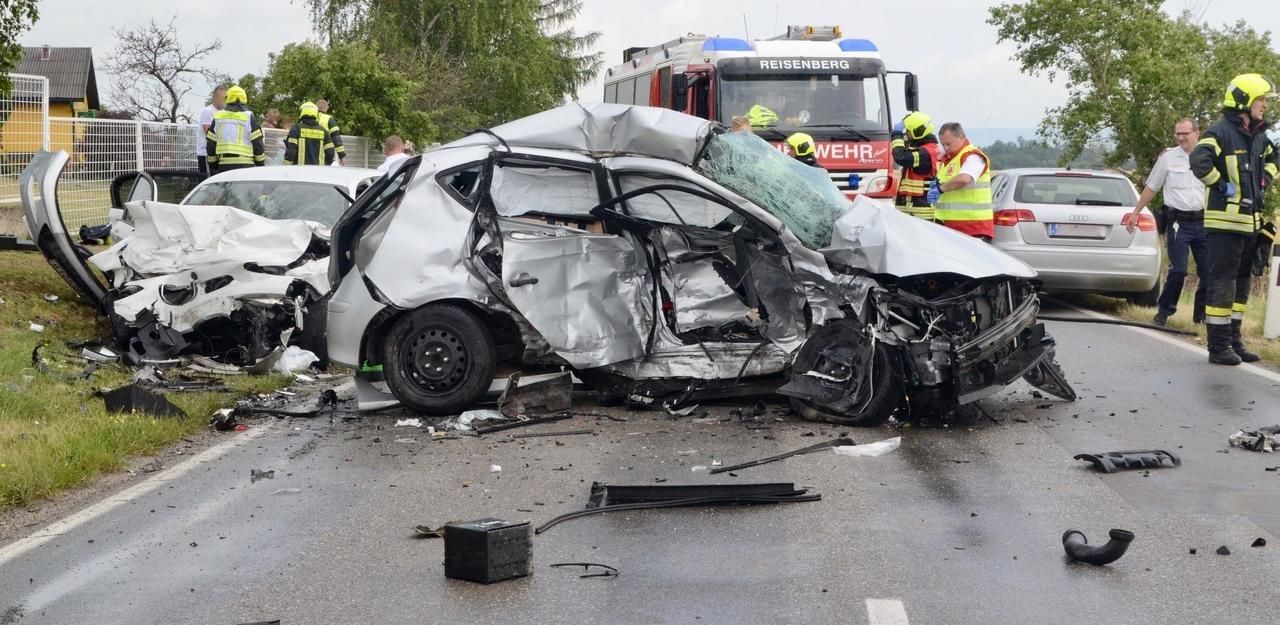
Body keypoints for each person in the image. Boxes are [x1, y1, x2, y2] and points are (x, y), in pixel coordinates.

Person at [1190, 73, 1280, 365]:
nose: (1265, 105)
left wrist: (1266, 178)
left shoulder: (1258, 136)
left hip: (1250, 223)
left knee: (1242, 283)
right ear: (1244, 100)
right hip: (1225, 224)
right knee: (1223, 283)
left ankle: (1234, 341)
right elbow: (1199, 160)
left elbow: (1275, 157)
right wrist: (1220, 185)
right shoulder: (1220, 132)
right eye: (1261, 100)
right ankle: (1218, 347)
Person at [1126, 118, 1209, 326]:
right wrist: (1136, 212)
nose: (1180, 138)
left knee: (1209, 270)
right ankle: (1164, 312)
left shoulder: (1209, 156)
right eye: (1177, 134)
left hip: (1204, 222)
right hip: (1179, 222)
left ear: (1197, 133)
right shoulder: (1168, 158)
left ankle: (1201, 316)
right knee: (1178, 270)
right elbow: (1152, 187)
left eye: (1185, 134)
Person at [929, 122, 994, 240]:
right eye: (943, 144)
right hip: (950, 227)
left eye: (948, 144)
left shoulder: (973, 156)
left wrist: (940, 189)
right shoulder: (949, 159)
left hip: (973, 228)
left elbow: (964, 179)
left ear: (961, 137)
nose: (946, 148)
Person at [890, 111, 941, 221]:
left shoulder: (925, 153)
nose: (906, 134)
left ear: (916, 132)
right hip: (913, 208)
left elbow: (901, 157)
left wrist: (897, 134)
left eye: (908, 132)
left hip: (920, 210)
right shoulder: (928, 148)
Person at [205, 85, 265, 174]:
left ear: (227, 99)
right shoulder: (249, 116)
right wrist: (260, 165)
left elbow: (210, 145)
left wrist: (213, 167)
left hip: (224, 166)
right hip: (246, 166)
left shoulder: (218, 117)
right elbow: (258, 144)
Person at [196, 86, 226, 175]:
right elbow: (208, 133)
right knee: (208, 179)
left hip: (217, 154)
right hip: (206, 154)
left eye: (225, 98)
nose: (224, 101)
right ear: (215, 97)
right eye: (222, 98)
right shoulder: (208, 111)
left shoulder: (223, 113)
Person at [315, 98, 346, 165]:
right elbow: (336, 138)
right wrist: (342, 156)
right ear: (325, 108)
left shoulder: (309, 118)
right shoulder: (329, 119)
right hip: (325, 156)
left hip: (310, 155)